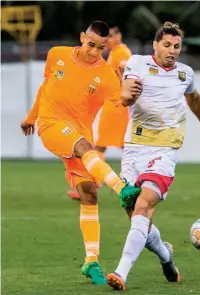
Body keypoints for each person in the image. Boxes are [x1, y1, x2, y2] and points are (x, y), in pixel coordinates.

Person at [20, 21, 141, 285]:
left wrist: (130, 92)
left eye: (100, 48)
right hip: (51, 125)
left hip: (79, 133)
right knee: (87, 148)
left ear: (105, 46)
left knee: (88, 192)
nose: (94, 52)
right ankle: (121, 189)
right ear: (81, 37)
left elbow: (122, 99)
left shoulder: (107, 75)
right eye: (90, 45)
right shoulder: (57, 55)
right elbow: (45, 87)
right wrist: (31, 118)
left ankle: (91, 261)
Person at [106, 21, 200, 291]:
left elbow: (194, 99)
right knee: (135, 213)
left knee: (143, 206)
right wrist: (126, 96)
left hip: (165, 151)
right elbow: (126, 93)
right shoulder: (137, 62)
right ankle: (165, 255)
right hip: (134, 149)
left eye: (177, 46)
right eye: (167, 45)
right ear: (156, 45)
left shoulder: (185, 73)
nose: (172, 51)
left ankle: (121, 273)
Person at [68, 25, 132, 200]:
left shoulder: (121, 53)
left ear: (119, 36)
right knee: (119, 146)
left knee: (108, 147)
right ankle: (124, 183)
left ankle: (94, 186)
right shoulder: (115, 53)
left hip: (117, 108)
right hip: (114, 107)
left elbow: (127, 74)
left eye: (112, 36)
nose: (108, 40)